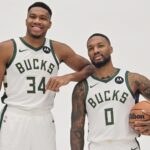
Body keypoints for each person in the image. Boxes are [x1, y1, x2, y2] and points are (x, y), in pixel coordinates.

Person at [0, 2, 94, 150]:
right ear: (26, 20)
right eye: (33, 17)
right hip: (14, 117)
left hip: (44, 118)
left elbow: (90, 68)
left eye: (43, 18)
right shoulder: (7, 48)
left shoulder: (58, 49)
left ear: (49, 24)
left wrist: (67, 77)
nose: (37, 21)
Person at [70, 33, 150, 150]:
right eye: (91, 48)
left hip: (129, 147)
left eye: (100, 46)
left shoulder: (132, 80)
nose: (95, 50)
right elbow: (77, 130)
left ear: (111, 49)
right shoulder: (82, 88)